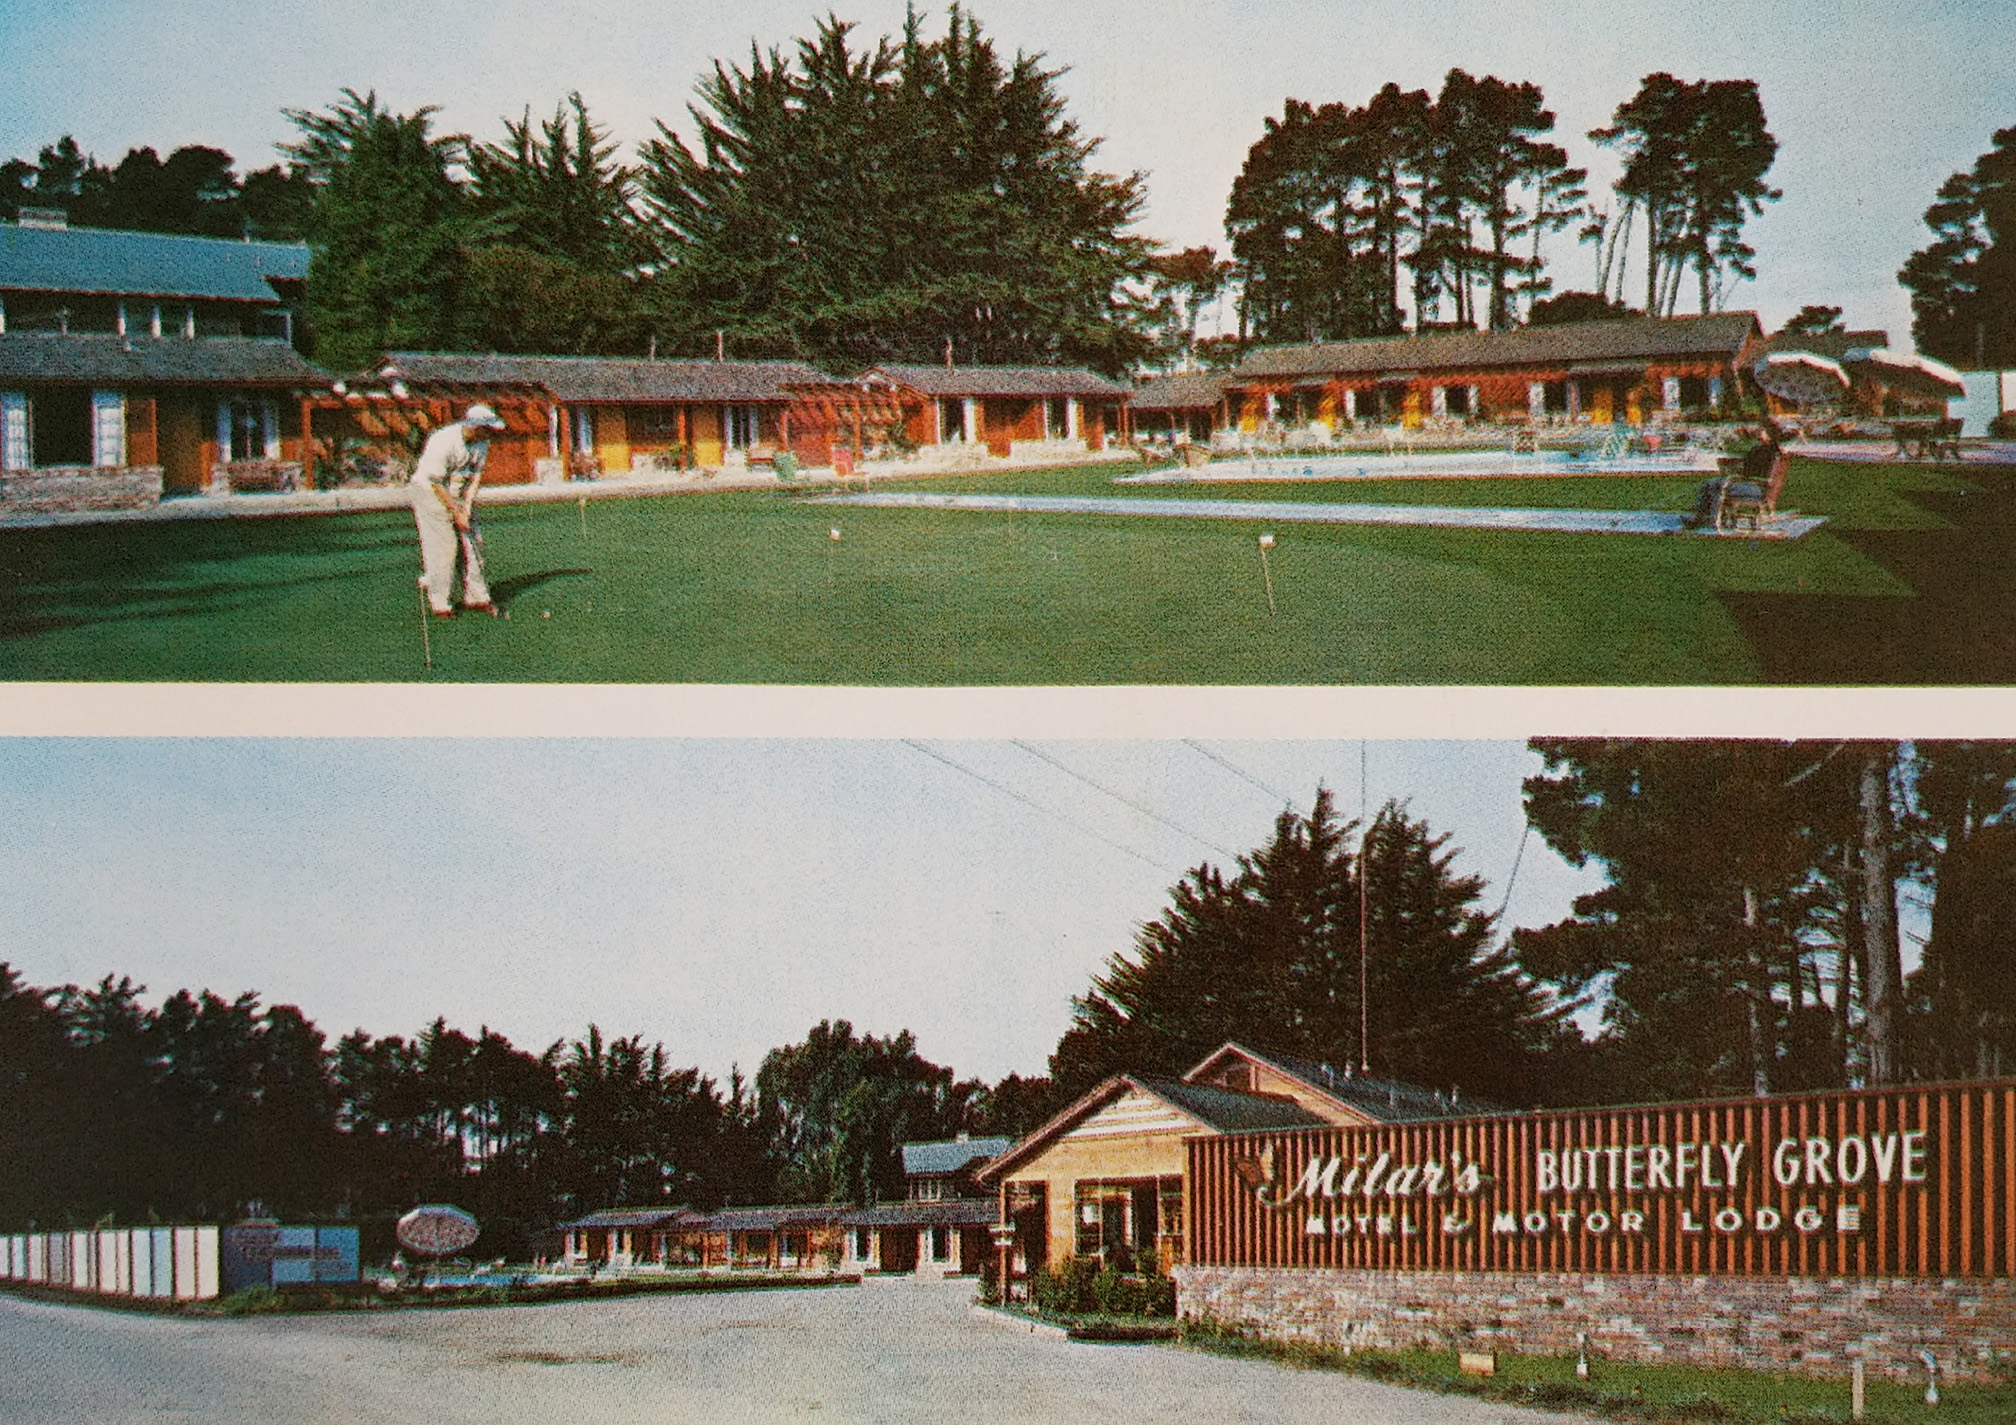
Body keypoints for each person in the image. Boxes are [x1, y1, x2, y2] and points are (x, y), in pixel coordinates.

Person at [412, 404, 506, 616]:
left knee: (474, 542)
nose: (491, 434)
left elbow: (476, 477)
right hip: (430, 492)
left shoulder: (483, 441)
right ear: (474, 427)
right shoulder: (443, 442)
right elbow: (436, 483)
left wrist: (467, 508)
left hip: (458, 491)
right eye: (487, 429)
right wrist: (456, 512)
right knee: (444, 546)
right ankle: (440, 602)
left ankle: (477, 596)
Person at [1686, 420, 1784, 530]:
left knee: (1721, 486)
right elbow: (1747, 469)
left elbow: (1761, 475)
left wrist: (1736, 476)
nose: (1756, 431)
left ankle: (1712, 519)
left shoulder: (1770, 451)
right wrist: (1733, 470)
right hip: (1748, 483)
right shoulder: (1757, 449)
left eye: (1761, 430)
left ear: (1768, 433)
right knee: (1709, 484)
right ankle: (1700, 516)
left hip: (1756, 487)